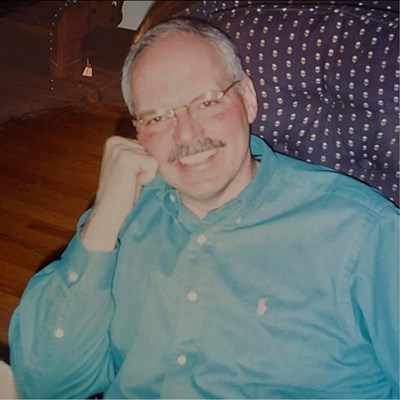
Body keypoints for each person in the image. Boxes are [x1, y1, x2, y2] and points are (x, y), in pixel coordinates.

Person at [8, 16, 399, 399]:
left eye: (206, 102)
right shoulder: (124, 214)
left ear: (247, 99)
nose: (186, 134)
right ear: (137, 131)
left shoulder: (363, 235)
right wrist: (104, 216)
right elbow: (46, 384)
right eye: (157, 117)